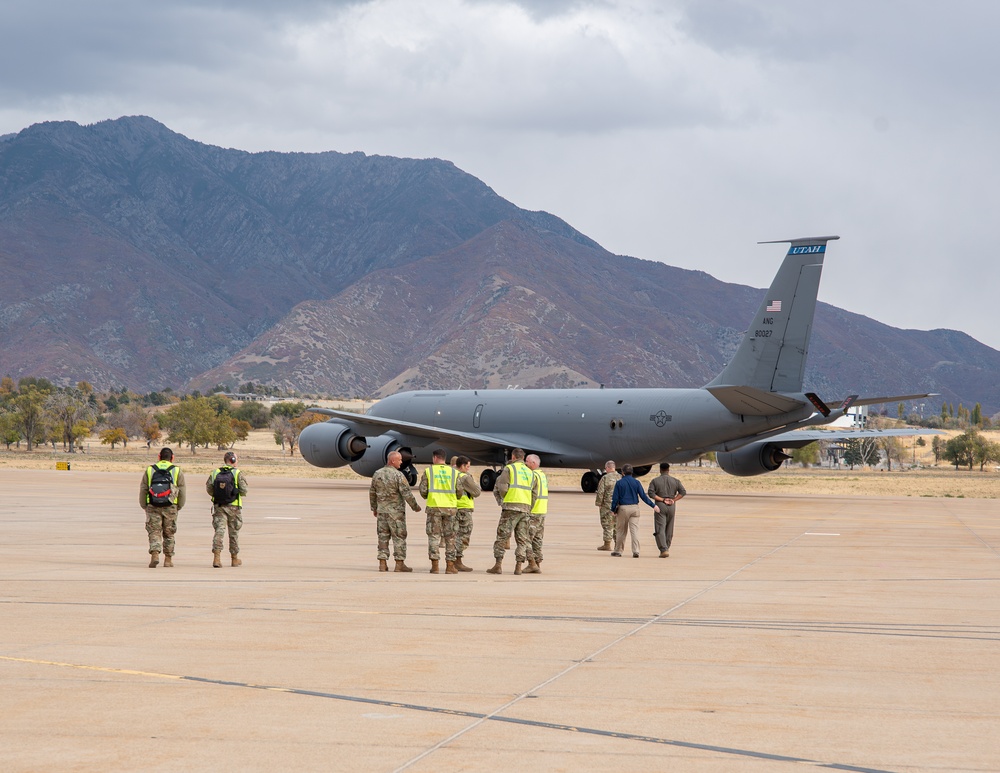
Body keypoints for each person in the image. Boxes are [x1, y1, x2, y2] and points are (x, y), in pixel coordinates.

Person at [370, 450, 422, 572]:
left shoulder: (377, 474)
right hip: (396, 513)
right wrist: (415, 507)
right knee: (399, 537)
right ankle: (399, 564)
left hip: (382, 512)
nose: (401, 462)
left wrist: (374, 508)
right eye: (399, 460)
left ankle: (382, 563)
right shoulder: (398, 475)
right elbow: (407, 493)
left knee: (383, 537)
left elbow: (372, 493)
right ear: (392, 461)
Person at [487, 448, 537, 575]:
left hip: (510, 507)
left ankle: (498, 565)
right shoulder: (531, 472)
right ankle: (518, 566)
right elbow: (534, 493)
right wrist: (529, 506)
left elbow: (502, 487)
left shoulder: (509, 469)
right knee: (522, 539)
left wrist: (505, 500)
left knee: (502, 536)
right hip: (525, 508)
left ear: (513, 457)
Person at [139, 447, 186, 568]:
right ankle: (168, 559)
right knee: (169, 533)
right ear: (172, 458)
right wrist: (179, 506)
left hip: (153, 504)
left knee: (154, 531)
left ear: (159, 457)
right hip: (171, 505)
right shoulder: (176, 470)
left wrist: (144, 505)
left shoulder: (150, 470)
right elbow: (182, 491)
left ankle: (155, 554)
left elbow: (143, 488)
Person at [419, 448, 459, 574]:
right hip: (450, 509)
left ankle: (435, 565)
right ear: (444, 458)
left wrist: (429, 496)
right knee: (450, 537)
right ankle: (450, 565)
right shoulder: (454, 472)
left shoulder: (429, 471)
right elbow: (460, 491)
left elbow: (423, 491)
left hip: (434, 507)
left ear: (435, 458)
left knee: (434, 537)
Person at [205, 451, 248, 568]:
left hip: (219, 506)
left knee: (219, 531)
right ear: (233, 460)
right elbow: (244, 490)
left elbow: (209, 489)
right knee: (233, 533)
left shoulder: (215, 473)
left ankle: (217, 558)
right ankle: (234, 559)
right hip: (234, 507)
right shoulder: (237, 473)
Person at [609, 464, 658, 558]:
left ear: (622, 473)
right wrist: (653, 506)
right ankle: (636, 551)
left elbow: (615, 499)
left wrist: (613, 510)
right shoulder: (637, 482)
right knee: (634, 531)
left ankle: (618, 551)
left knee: (621, 531)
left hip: (623, 508)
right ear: (632, 472)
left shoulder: (619, 483)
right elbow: (643, 496)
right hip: (635, 509)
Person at [647, 462, 686, 558]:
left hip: (660, 505)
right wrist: (673, 500)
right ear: (668, 470)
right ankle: (667, 547)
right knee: (669, 528)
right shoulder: (675, 481)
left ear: (660, 470)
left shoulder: (655, 481)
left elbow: (651, 493)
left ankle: (663, 549)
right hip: (672, 505)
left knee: (660, 527)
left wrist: (663, 500)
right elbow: (683, 492)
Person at [453, 455, 481, 571]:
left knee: (454, 535)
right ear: (462, 466)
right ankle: (457, 560)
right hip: (464, 509)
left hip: (453, 507)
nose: (468, 469)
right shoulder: (465, 477)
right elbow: (476, 491)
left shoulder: (452, 475)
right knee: (463, 536)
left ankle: (452, 559)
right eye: (467, 466)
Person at [524, 454, 547, 573]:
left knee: (526, 539)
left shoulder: (533, 475)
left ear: (533, 463)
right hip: (542, 511)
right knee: (537, 540)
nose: (525, 463)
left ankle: (532, 563)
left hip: (534, 512)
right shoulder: (542, 475)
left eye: (527, 462)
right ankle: (537, 564)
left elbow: (531, 494)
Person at [593, 460, 620, 551]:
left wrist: (599, 503)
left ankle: (607, 544)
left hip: (607, 505)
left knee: (607, 524)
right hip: (619, 506)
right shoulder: (620, 477)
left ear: (607, 468)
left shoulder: (605, 478)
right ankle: (618, 544)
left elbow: (600, 492)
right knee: (617, 525)